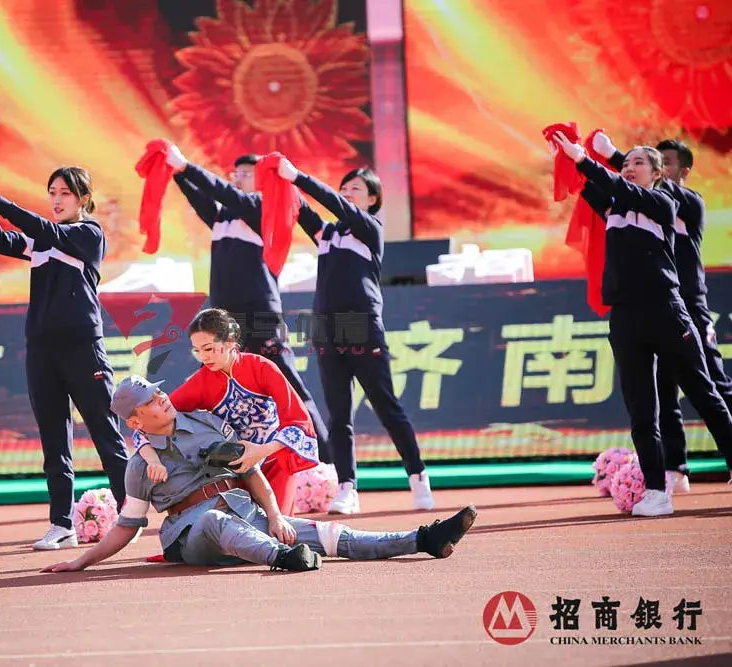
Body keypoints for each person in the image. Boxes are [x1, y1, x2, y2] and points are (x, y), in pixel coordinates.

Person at [41, 375, 477, 573]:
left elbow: (250, 473)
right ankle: (283, 559)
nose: (162, 399)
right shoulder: (140, 464)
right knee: (215, 521)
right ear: (136, 421)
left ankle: (423, 539)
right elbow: (128, 525)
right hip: (191, 534)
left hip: (248, 515)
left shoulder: (206, 422)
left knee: (330, 535)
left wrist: (276, 515)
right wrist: (82, 561)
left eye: (159, 392)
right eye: (151, 401)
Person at [552, 131, 732, 514]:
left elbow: (616, 183)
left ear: (657, 174)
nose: (629, 167)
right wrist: (566, 158)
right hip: (625, 317)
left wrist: (586, 158)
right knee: (642, 410)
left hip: (666, 311)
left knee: (704, 394)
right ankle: (656, 492)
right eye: (627, 162)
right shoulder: (615, 207)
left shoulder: (663, 203)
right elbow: (591, 187)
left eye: (638, 163)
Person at [0, 167, 129, 550]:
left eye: (65, 193)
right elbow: (4, 241)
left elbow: (46, 230)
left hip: (82, 348)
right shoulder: (42, 241)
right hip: (42, 351)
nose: (56, 200)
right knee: (54, 440)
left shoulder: (89, 234)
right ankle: (61, 523)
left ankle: (131, 512)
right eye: (52, 192)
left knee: (105, 432)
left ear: (83, 199)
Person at [268, 157, 435, 514]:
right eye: (344, 188)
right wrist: (280, 180)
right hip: (326, 328)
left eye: (355, 189)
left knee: (385, 406)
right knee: (339, 414)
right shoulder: (328, 235)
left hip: (361, 325)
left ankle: (418, 476)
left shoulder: (369, 228)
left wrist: (298, 176)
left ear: (372, 199)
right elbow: (301, 209)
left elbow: (332, 203)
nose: (347, 193)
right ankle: (347, 488)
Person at [168, 151, 331, 463]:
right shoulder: (222, 216)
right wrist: (176, 173)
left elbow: (221, 192)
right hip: (223, 320)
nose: (237, 178)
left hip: (259, 316)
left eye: (246, 173)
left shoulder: (260, 207)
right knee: (211, 382)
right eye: (236, 173)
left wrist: (185, 166)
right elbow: (200, 197)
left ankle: (325, 463)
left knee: (289, 387)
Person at [136, 308, 320, 514]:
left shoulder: (261, 367)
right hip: (237, 469)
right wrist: (152, 459)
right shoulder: (201, 382)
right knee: (242, 531)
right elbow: (147, 424)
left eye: (208, 348)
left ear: (230, 342)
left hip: (275, 460)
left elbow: (298, 420)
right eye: (197, 351)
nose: (203, 357)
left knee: (279, 526)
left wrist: (261, 451)